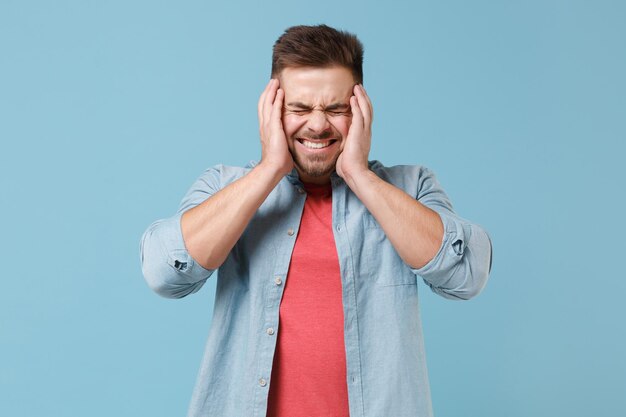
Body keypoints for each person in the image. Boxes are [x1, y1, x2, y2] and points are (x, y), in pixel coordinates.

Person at [140, 24, 492, 417]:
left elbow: (468, 276)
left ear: (360, 109)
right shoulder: (225, 187)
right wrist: (270, 168)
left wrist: (359, 174)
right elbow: (164, 274)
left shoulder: (410, 187)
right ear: (272, 109)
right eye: (300, 108)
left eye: (336, 108)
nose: (318, 124)